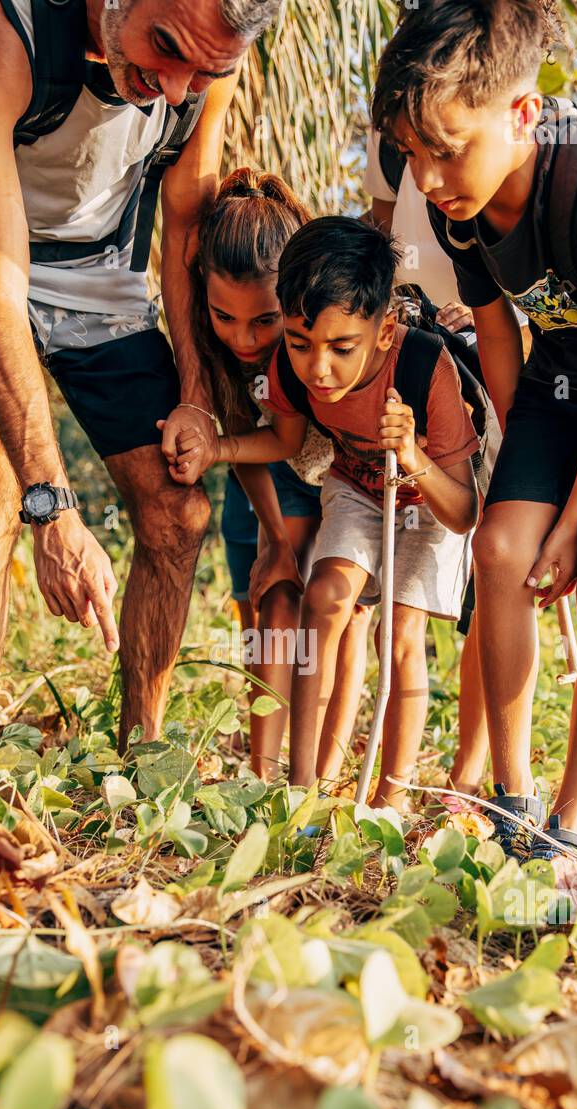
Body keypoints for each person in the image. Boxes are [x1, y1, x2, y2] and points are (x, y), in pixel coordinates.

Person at [0, 0, 279, 759]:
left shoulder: (205, 56)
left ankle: (142, 758)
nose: (176, 90)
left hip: (102, 273)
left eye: (204, 73)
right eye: (164, 48)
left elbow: (183, 228)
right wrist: (53, 508)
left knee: (179, 511)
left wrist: (196, 401)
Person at [371, 0, 577, 860]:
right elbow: (500, 335)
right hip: (554, 367)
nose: (430, 178)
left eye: (445, 149)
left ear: (522, 114)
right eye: (412, 154)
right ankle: (511, 801)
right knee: (499, 550)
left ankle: (574, 827)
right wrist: (525, 482)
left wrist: (571, 518)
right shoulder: (458, 208)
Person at [172, 217, 480, 812]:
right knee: (325, 599)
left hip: (426, 499)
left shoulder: (425, 370)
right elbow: (285, 442)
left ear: (384, 330)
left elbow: (464, 512)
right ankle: (301, 789)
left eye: (342, 349)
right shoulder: (290, 369)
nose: (319, 369)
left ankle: (388, 801)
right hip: (356, 487)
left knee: (400, 635)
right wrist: (219, 448)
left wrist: (411, 453)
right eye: (300, 342)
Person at [192, 171, 374, 783]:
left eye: (265, 322)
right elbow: (249, 442)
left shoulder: (319, 327)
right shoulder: (211, 345)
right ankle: (262, 776)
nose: (243, 338)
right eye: (225, 317)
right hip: (257, 471)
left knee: (337, 617)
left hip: (339, 472)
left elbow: (297, 439)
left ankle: (315, 780)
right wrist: (273, 539)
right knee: (268, 607)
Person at [366, 119, 491, 811]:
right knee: (403, 598)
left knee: (496, 570)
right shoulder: (391, 137)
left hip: (503, 353)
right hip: (414, 343)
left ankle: (467, 779)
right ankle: (395, 786)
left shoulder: (499, 119)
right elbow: (383, 238)